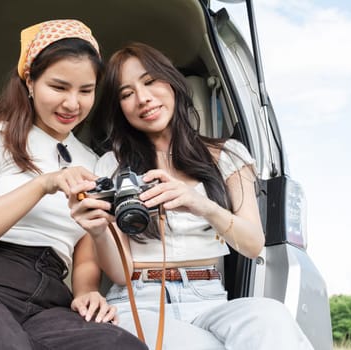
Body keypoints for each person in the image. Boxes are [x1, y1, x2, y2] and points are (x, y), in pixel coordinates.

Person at [0, 21, 147, 350]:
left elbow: (86, 252)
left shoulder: (93, 163)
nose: (72, 104)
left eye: (85, 90)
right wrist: (43, 184)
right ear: (30, 81)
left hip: (49, 298)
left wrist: (87, 291)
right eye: (59, 87)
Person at [69, 42, 314, 350]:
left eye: (149, 82)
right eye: (126, 94)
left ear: (171, 82)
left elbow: (253, 244)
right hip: (139, 300)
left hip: (210, 297)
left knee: (271, 318)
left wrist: (200, 204)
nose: (143, 99)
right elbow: (120, 271)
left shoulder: (227, 155)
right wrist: (100, 231)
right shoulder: (111, 166)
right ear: (119, 108)